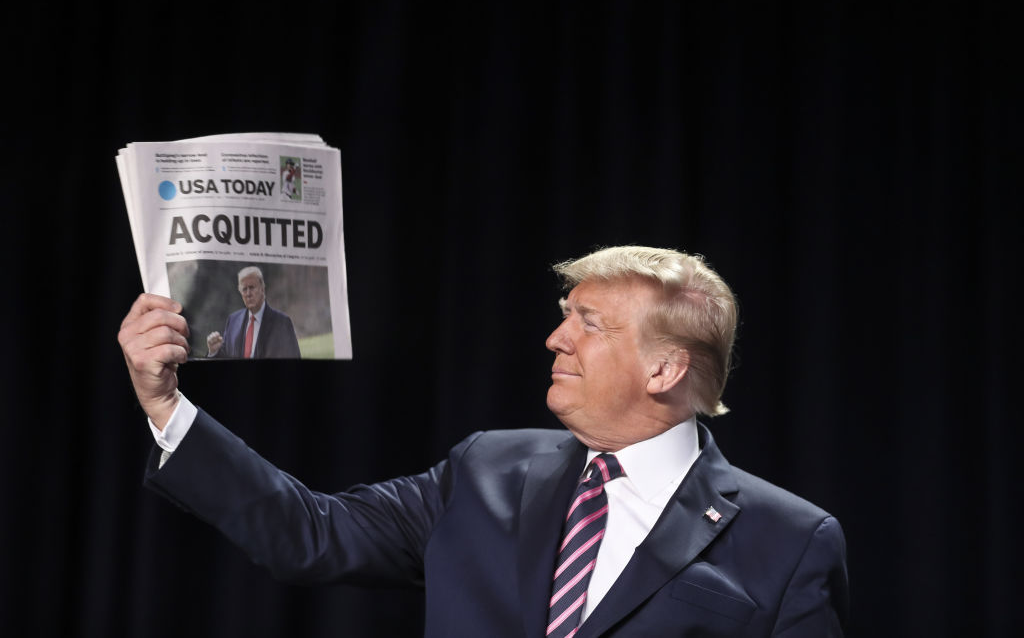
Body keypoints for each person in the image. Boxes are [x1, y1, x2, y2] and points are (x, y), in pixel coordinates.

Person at [119, 246, 848, 636]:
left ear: (665, 366)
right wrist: (165, 403)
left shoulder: (789, 540)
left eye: (588, 322)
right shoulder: (488, 469)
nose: (555, 337)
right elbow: (311, 532)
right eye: (566, 314)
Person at [206, 266, 301, 359]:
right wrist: (213, 352)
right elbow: (225, 357)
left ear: (262, 289)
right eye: (244, 289)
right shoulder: (233, 321)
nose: (248, 294)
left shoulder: (282, 323)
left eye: (252, 288)